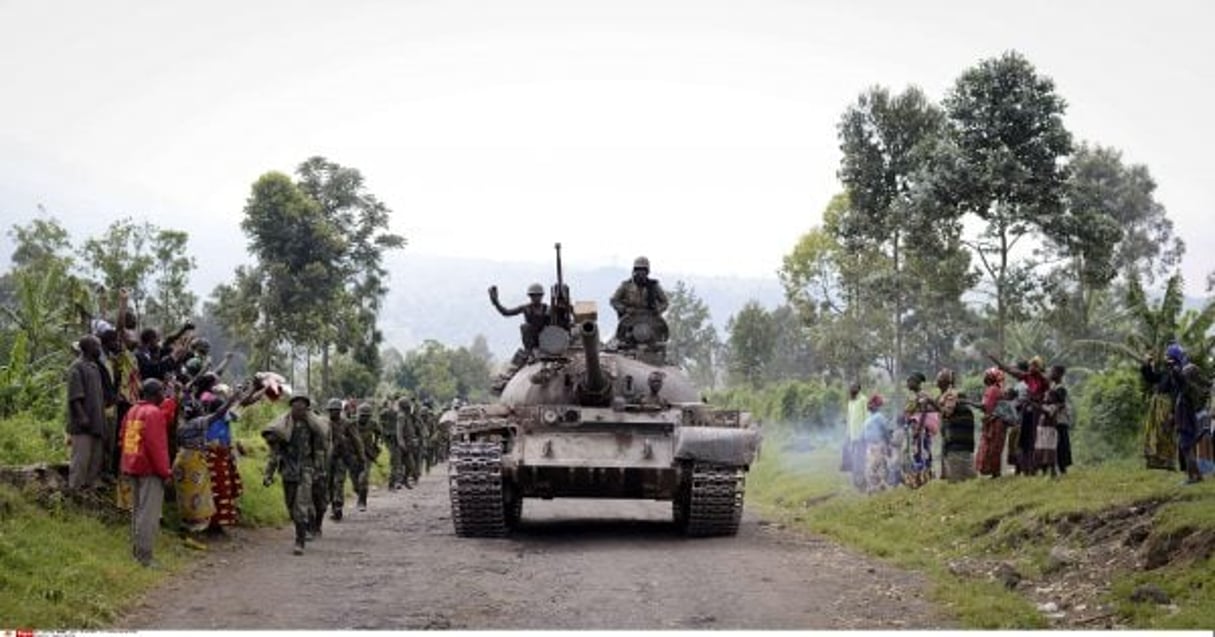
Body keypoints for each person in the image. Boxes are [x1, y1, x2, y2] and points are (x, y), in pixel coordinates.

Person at [262, 395, 327, 555]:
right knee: (290, 505)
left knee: (301, 506)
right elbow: (274, 454)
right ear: (291, 408)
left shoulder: (312, 427)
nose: (299, 409)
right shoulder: (283, 427)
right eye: (296, 406)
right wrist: (268, 474)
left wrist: (319, 470)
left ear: (306, 409)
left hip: (306, 469)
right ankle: (302, 528)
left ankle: (300, 541)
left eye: (302, 407)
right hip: (288, 470)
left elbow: (319, 451)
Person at [119, 379, 173, 567]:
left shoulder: (132, 410)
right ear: (154, 393)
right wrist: (165, 472)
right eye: (161, 392)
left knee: (137, 512)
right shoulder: (154, 413)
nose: (163, 396)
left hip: (132, 466)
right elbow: (156, 446)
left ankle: (136, 552)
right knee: (149, 515)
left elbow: (123, 438)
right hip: (150, 470)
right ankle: (145, 557)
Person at [66, 334, 108, 491]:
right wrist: (82, 416)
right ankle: (74, 493)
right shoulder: (77, 367)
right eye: (97, 346)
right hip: (83, 424)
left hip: (96, 422)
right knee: (80, 460)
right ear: (88, 348)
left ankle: (87, 493)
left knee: (94, 462)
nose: (99, 349)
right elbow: (75, 396)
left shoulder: (94, 367)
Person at [610, 256, 670, 346]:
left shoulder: (654, 286)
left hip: (650, 317)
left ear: (647, 272)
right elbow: (614, 300)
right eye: (638, 270)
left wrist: (657, 310)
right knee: (622, 340)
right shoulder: (626, 286)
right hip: (630, 317)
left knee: (659, 338)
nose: (641, 273)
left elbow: (665, 302)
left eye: (643, 270)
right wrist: (625, 309)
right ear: (634, 271)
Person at [1140, 347, 1181, 470]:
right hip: (1157, 404)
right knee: (1155, 431)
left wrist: (1173, 412)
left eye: (1168, 356)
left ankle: (1168, 461)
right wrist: (1147, 364)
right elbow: (1151, 378)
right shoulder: (1165, 371)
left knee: (1165, 431)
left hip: (1166, 405)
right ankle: (1155, 460)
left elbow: (1175, 392)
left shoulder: (1176, 372)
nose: (1165, 357)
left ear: (1173, 358)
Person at [325, 398, 364, 520]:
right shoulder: (324, 423)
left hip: (342, 457)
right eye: (331, 411)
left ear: (340, 411)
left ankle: (337, 507)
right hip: (327, 458)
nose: (333, 413)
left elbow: (357, 441)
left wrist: (361, 457)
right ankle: (332, 505)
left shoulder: (347, 424)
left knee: (338, 482)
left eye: (336, 410)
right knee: (328, 483)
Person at [937, 368, 976, 483]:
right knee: (966, 473)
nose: (937, 382)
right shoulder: (949, 395)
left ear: (946, 381)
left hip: (957, 440)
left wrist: (938, 407)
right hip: (960, 440)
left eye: (939, 379)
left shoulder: (950, 395)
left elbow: (948, 412)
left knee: (958, 475)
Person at [900, 372, 937, 488]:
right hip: (914, 428)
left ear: (916, 382)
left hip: (920, 430)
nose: (907, 383)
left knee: (921, 453)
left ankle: (922, 479)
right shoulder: (914, 396)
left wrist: (918, 430)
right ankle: (918, 479)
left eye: (909, 381)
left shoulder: (922, 395)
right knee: (916, 453)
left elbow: (924, 413)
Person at [489, 283, 550, 352]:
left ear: (541, 296)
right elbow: (506, 312)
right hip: (531, 340)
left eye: (537, 295)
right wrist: (496, 303)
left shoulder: (548, 309)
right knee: (525, 327)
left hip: (546, 340)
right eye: (533, 296)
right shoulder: (526, 308)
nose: (535, 298)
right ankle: (529, 352)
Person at [975, 367, 1007, 478]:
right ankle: (995, 472)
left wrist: (968, 402)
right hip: (995, 422)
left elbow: (985, 406)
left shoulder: (992, 390)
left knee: (992, 447)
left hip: (994, 423)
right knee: (994, 447)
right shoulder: (996, 389)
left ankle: (995, 472)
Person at [861, 394, 892, 494]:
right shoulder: (870, 417)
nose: (868, 405)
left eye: (871, 404)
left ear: (876, 405)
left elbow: (885, 432)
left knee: (874, 467)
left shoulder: (879, 417)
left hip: (877, 445)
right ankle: (877, 487)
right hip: (870, 445)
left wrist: (888, 445)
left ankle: (878, 488)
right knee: (872, 467)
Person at [354, 402, 380, 511]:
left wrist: (375, 444)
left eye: (367, 416)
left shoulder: (373, 424)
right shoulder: (352, 424)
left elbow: (379, 432)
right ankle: (358, 492)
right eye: (362, 416)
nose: (364, 418)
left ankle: (362, 501)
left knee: (363, 478)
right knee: (355, 479)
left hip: (367, 454)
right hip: (353, 454)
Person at [1048, 365, 1073, 475]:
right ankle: (1058, 466)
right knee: (1056, 444)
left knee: (1062, 443)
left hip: (1060, 419)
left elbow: (1061, 403)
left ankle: (1063, 468)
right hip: (1055, 418)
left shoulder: (1060, 388)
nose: (1050, 373)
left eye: (1053, 371)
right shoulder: (1053, 386)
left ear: (1059, 374)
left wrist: (1053, 410)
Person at [1035, 388, 1066, 478]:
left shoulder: (1054, 406)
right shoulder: (1045, 405)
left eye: (1047, 396)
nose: (1046, 397)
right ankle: (1043, 471)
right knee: (1041, 450)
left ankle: (1053, 472)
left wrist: (1038, 405)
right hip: (1042, 430)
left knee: (1050, 452)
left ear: (1053, 398)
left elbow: (1049, 413)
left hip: (1049, 431)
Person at [844, 382, 867, 489]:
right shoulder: (850, 402)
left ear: (859, 388)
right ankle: (856, 480)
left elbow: (866, 417)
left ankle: (862, 480)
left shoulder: (863, 399)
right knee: (854, 458)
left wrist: (865, 433)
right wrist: (847, 434)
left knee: (860, 458)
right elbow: (849, 419)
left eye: (854, 387)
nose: (852, 389)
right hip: (852, 436)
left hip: (861, 435)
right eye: (851, 387)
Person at [380, 398, 403, 490]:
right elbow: (382, 426)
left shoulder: (397, 414)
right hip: (391, 438)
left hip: (394, 438)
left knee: (396, 461)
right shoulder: (388, 413)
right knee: (395, 460)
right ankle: (392, 483)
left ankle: (395, 481)